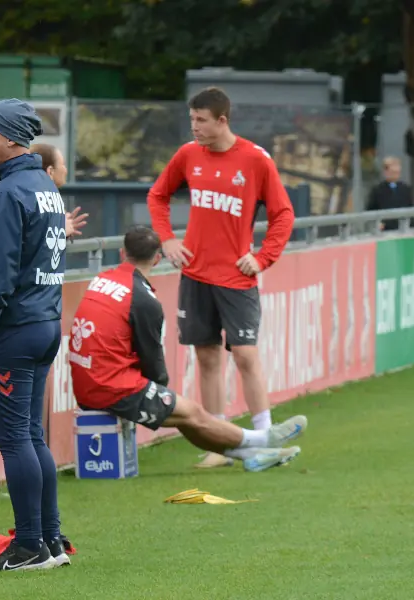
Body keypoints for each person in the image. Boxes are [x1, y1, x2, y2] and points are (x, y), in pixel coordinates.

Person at [70, 225, 307, 472]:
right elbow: (153, 364)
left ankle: (251, 456)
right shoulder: (143, 300)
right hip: (110, 387)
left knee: (183, 416)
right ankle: (262, 438)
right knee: (191, 412)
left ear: (121, 254)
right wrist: (160, 389)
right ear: (158, 258)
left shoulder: (101, 280)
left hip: (87, 383)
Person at [146, 86, 295, 469]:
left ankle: (263, 436)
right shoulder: (188, 154)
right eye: (192, 119)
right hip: (195, 275)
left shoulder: (255, 160)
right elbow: (158, 196)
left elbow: (283, 215)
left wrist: (262, 258)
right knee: (207, 358)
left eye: (201, 120)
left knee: (245, 355)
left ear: (222, 121)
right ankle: (221, 445)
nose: (194, 127)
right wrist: (167, 240)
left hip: (237, 277)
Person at [0, 99, 67, 571]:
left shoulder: (9, 192)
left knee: (15, 440)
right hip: (44, 324)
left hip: (14, 330)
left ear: (9, 136)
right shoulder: (43, 184)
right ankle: (51, 539)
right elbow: (9, 252)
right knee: (32, 436)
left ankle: (28, 547)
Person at [30, 142, 89, 237]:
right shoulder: (31, 201)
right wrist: (61, 231)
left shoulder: (47, 199)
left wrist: (63, 232)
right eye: (63, 164)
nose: (66, 171)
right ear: (50, 171)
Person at [365, 156, 412, 231]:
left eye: (397, 172)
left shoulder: (405, 188)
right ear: (386, 172)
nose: (396, 175)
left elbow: (411, 208)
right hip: (385, 231)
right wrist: (377, 224)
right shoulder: (378, 190)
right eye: (393, 172)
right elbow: (370, 210)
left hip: (403, 229)